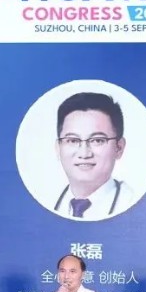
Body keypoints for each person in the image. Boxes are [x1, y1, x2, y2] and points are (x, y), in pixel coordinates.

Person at [52, 92, 134, 220]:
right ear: (58, 148)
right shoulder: (45, 203)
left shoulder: (132, 202)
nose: (84, 154)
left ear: (119, 148)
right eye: (73, 140)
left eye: (97, 140)